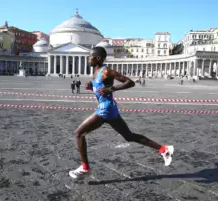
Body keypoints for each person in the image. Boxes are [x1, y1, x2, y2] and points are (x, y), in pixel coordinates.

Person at [69, 47, 174, 179]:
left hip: (105, 109)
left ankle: (85, 167)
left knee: (79, 133)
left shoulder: (106, 71)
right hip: (110, 109)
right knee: (129, 136)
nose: (88, 59)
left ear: (98, 58)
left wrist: (111, 89)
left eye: (90, 56)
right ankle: (164, 150)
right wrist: (93, 88)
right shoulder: (95, 72)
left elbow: (130, 82)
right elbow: (102, 91)